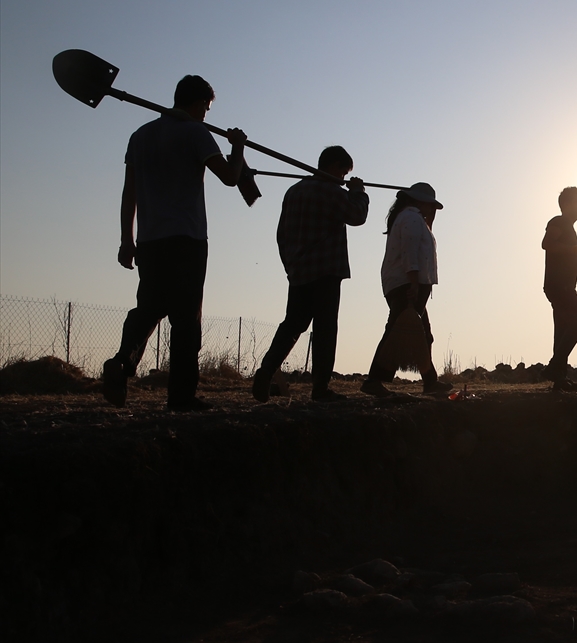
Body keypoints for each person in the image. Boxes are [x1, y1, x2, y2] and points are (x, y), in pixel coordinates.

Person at [100, 75, 247, 411]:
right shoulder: (196, 132)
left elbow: (129, 193)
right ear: (197, 105)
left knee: (150, 308)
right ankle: (181, 396)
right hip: (187, 238)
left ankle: (122, 362)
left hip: (150, 240)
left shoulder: (141, 136)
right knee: (185, 319)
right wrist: (237, 146)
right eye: (206, 109)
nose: (206, 115)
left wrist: (126, 238)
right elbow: (231, 177)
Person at [251, 147, 369, 403]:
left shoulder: (294, 191)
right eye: (343, 172)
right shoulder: (331, 191)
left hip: (299, 270)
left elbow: (281, 234)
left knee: (292, 325)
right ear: (335, 166)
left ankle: (266, 371)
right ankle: (320, 388)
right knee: (325, 328)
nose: (343, 177)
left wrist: (290, 265)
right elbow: (357, 216)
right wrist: (359, 193)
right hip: (326, 270)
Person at [360, 183, 447, 397]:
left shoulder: (413, 219)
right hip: (406, 283)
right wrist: (414, 283)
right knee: (396, 332)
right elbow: (410, 252)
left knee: (423, 333)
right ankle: (374, 379)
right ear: (421, 202)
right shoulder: (411, 218)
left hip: (406, 282)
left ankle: (430, 380)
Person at [542, 186, 577, 392]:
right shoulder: (559, 222)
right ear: (567, 205)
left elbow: (563, 258)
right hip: (560, 286)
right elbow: (547, 244)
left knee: (563, 330)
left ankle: (559, 379)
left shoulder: (568, 227)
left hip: (559, 285)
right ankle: (554, 367)